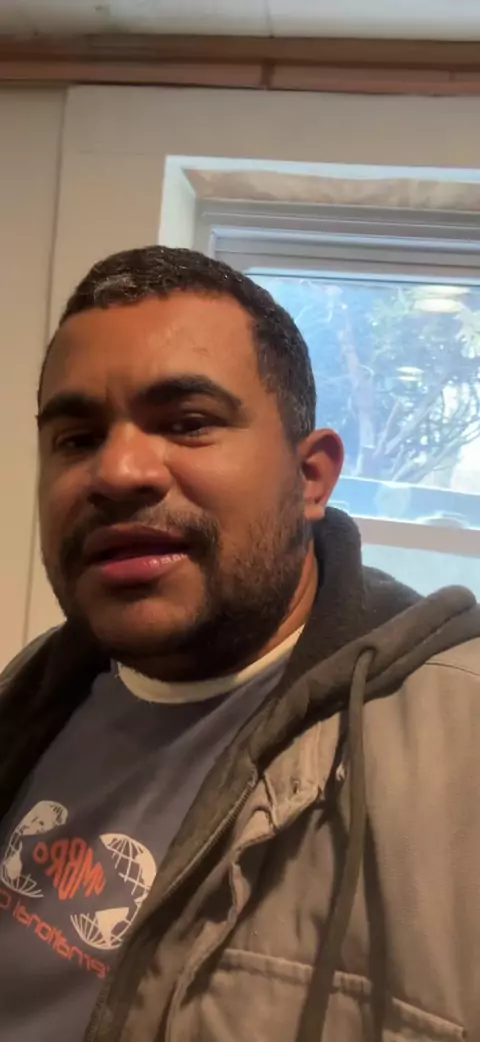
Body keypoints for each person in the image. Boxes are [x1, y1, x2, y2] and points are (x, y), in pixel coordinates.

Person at [0, 245, 479, 1042]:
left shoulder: (458, 751)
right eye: (77, 438)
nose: (117, 471)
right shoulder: (37, 687)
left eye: (188, 423)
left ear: (312, 476)